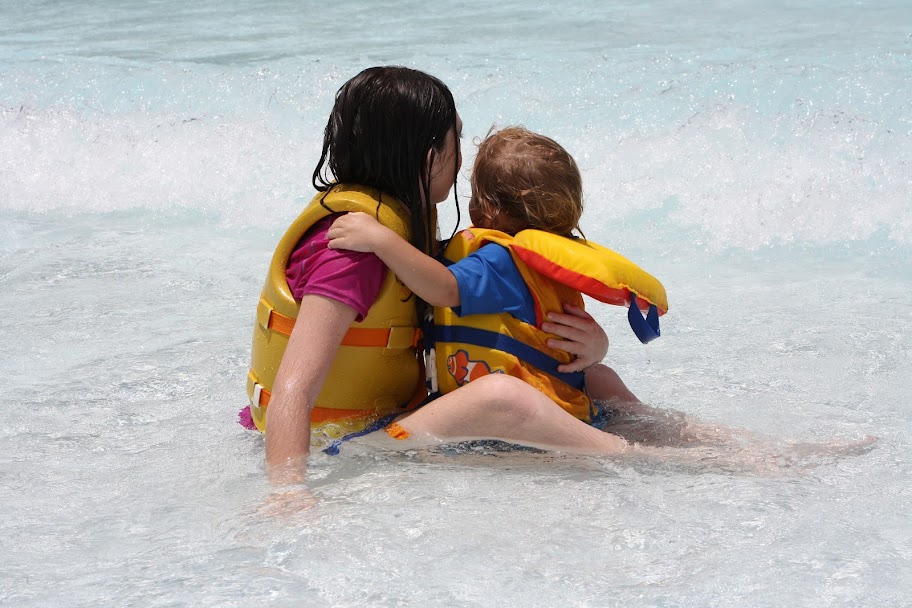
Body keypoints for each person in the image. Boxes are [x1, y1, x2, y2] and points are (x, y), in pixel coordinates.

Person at [246, 67, 632, 486]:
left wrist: (592, 346)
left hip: (396, 418)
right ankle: (637, 457)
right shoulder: (352, 252)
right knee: (502, 396)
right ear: (430, 156)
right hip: (340, 442)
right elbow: (294, 387)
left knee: (595, 378)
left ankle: (669, 432)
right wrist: (288, 493)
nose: (463, 160)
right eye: (457, 139)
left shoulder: (398, 228)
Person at [327, 126, 664, 437]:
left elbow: (444, 288)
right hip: (563, 404)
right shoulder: (549, 261)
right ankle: (669, 432)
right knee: (601, 377)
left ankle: (628, 447)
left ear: (484, 207)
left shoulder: (498, 261)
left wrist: (380, 239)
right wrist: (599, 348)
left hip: (520, 420)